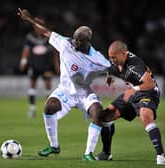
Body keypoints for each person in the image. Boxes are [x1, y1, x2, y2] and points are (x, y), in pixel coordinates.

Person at [17, 8, 116, 161]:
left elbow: (112, 67)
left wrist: (110, 77)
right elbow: (46, 32)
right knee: (49, 107)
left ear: (86, 42)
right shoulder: (65, 44)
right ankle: (54, 146)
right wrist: (30, 19)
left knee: (98, 113)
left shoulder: (97, 58)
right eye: (74, 39)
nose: (74, 43)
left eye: (78, 41)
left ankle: (88, 153)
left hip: (84, 94)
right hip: (65, 92)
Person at [96, 40, 165, 164]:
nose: (112, 60)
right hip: (133, 91)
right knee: (106, 116)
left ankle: (161, 156)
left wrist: (134, 90)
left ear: (124, 54)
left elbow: (150, 84)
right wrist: (109, 77)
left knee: (145, 116)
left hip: (148, 92)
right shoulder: (116, 61)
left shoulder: (135, 65)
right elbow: (110, 68)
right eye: (110, 57)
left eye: (114, 57)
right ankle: (106, 153)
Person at [19, 17, 60, 118]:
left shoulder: (48, 37)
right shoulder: (30, 36)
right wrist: (23, 61)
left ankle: (48, 109)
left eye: (42, 24)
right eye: (38, 24)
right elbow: (26, 50)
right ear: (34, 26)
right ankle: (32, 109)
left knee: (48, 87)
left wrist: (57, 65)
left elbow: (55, 53)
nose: (40, 26)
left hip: (46, 65)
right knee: (32, 86)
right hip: (34, 65)